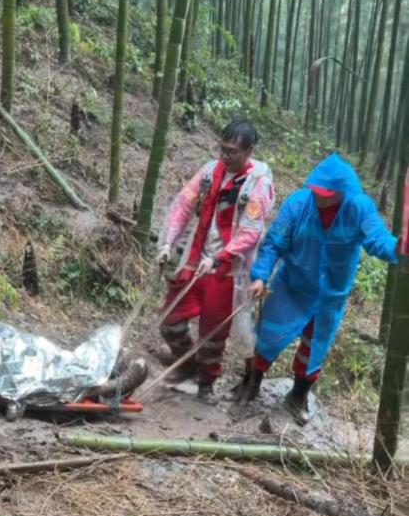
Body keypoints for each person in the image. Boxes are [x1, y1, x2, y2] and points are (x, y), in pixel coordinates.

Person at [239, 153, 401, 424]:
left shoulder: (359, 208)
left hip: (329, 295)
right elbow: (274, 242)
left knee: (314, 347)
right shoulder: (298, 203)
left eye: (327, 194)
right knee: (266, 334)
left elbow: (378, 240)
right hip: (291, 285)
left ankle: (298, 397)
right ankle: (250, 383)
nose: (320, 197)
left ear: (342, 192)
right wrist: (260, 276)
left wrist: (398, 247)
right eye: (317, 191)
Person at [157, 119, 275, 402]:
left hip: (227, 270)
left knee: (213, 332)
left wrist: (219, 257)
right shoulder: (210, 171)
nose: (226, 155)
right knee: (170, 321)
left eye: (233, 151)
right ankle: (187, 365)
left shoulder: (257, 184)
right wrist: (168, 243)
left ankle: (206, 383)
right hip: (195, 258)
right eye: (223, 149)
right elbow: (183, 205)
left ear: (249, 150)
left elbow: (250, 232)